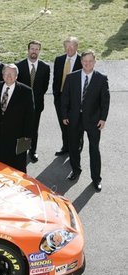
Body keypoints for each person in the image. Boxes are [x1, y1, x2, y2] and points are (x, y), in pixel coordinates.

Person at [61, 50, 110, 192]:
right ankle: (76, 170)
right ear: (81, 62)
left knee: (94, 149)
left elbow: (105, 101)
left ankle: (96, 178)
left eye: (90, 61)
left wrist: (103, 118)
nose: (87, 64)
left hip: (94, 120)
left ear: (94, 62)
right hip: (74, 119)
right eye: (84, 61)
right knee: (74, 147)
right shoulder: (71, 78)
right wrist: (64, 115)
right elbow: (65, 98)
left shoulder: (101, 78)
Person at [0, 64, 34, 173]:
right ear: (2, 75)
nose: (9, 76)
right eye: (6, 73)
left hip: (16, 139)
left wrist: (25, 141)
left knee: (16, 170)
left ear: (17, 76)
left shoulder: (26, 91)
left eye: (12, 74)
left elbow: (30, 117)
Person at [15, 40, 50, 163]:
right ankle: (22, 151)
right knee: (22, 128)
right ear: (28, 50)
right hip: (21, 105)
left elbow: (44, 87)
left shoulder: (45, 67)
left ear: (39, 51)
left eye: (36, 49)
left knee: (34, 129)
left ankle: (32, 151)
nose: (34, 51)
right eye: (32, 49)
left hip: (37, 105)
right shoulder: (19, 66)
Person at [53, 36, 82, 156]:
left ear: (76, 47)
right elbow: (56, 79)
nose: (69, 49)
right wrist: (56, 96)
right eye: (67, 46)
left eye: (72, 46)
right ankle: (66, 146)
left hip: (75, 100)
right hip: (60, 98)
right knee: (63, 124)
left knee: (76, 126)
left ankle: (77, 148)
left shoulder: (82, 60)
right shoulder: (59, 60)